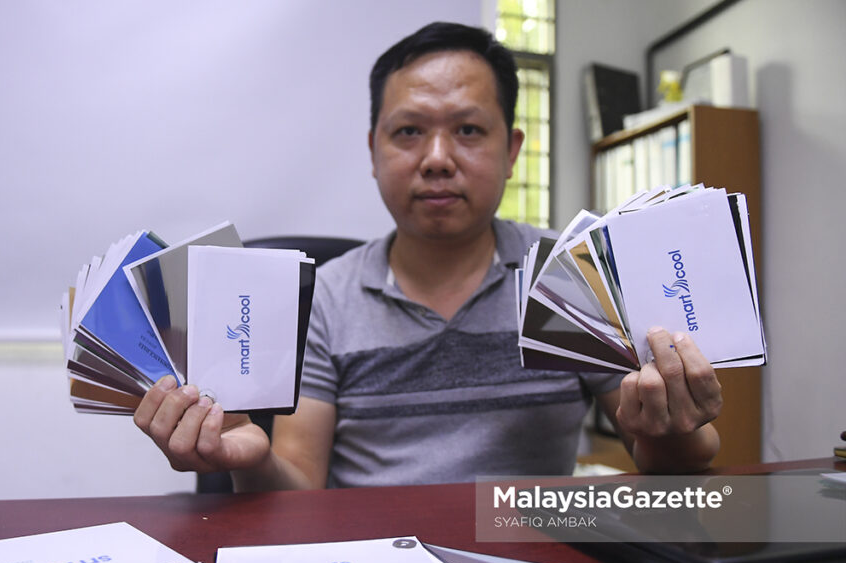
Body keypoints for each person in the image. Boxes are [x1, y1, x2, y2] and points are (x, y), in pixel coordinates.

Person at [134, 22, 722, 490]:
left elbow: (678, 461)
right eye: (409, 132)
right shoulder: (328, 299)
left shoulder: (567, 275)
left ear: (512, 150)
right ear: (373, 151)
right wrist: (251, 462)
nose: (437, 158)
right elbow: (299, 490)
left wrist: (675, 427)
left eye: (468, 130)